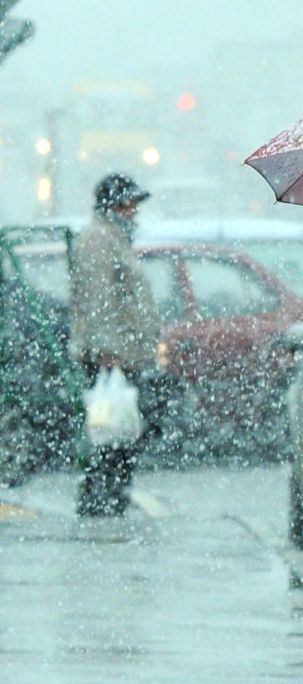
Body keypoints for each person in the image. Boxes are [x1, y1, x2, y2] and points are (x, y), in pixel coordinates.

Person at [69, 172, 163, 516]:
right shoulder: (98, 241)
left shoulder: (114, 240)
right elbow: (98, 301)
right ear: (111, 206)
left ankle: (111, 498)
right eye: (128, 204)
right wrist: (109, 350)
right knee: (109, 434)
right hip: (110, 360)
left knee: (121, 433)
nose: (133, 212)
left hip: (125, 357)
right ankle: (101, 501)